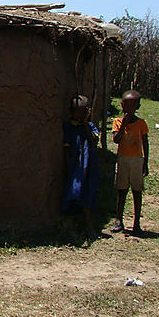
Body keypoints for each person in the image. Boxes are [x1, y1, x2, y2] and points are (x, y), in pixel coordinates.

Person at [62, 95, 100, 246]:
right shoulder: (68, 127)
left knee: (89, 193)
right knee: (74, 192)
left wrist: (85, 124)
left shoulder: (90, 127)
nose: (83, 114)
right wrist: (67, 167)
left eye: (85, 111)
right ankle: (71, 228)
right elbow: (66, 150)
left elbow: (93, 141)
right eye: (80, 111)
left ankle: (89, 226)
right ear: (72, 112)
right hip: (76, 168)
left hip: (90, 165)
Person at [111, 90, 149, 236]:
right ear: (122, 105)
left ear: (137, 107)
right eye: (126, 105)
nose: (129, 108)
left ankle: (136, 223)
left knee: (137, 191)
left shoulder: (141, 123)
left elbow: (145, 142)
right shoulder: (117, 122)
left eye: (133, 105)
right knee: (121, 190)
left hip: (137, 160)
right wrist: (123, 125)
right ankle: (119, 220)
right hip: (123, 159)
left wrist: (145, 162)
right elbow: (116, 140)